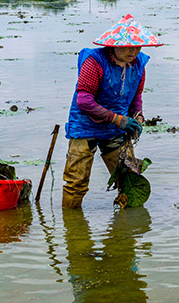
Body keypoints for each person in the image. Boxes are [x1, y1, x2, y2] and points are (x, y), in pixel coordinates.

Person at [62, 14, 162, 209]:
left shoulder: (139, 64)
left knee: (129, 178)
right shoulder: (95, 62)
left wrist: (137, 117)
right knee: (76, 182)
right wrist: (118, 119)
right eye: (128, 47)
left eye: (137, 46)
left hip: (117, 127)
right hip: (86, 126)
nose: (134, 51)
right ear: (114, 46)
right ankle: (73, 228)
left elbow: (136, 96)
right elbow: (84, 100)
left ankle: (126, 230)